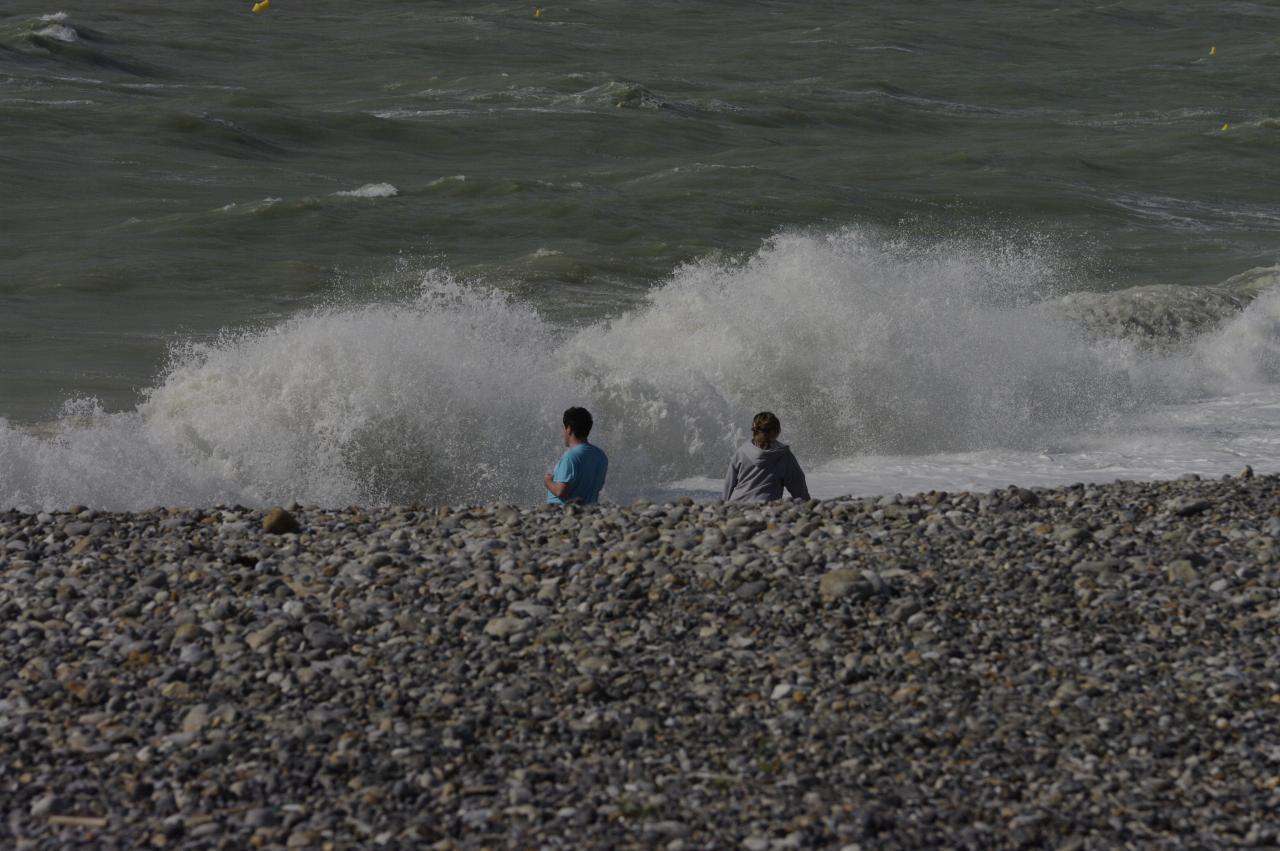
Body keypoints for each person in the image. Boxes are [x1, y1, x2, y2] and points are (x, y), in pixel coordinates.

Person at [723, 411, 810, 502]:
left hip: (737, 505)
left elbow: (728, 484)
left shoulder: (742, 452)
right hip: (767, 508)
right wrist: (808, 506)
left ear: (754, 429)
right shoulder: (783, 455)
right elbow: (798, 485)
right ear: (777, 431)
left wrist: (724, 507)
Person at [545, 406, 609, 505]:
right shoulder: (601, 456)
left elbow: (561, 491)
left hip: (562, 513)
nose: (563, 433)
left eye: (563, 428)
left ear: (569, 429)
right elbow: (598, 487)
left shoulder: (570, 456)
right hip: (588, 512)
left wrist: (548, 482)